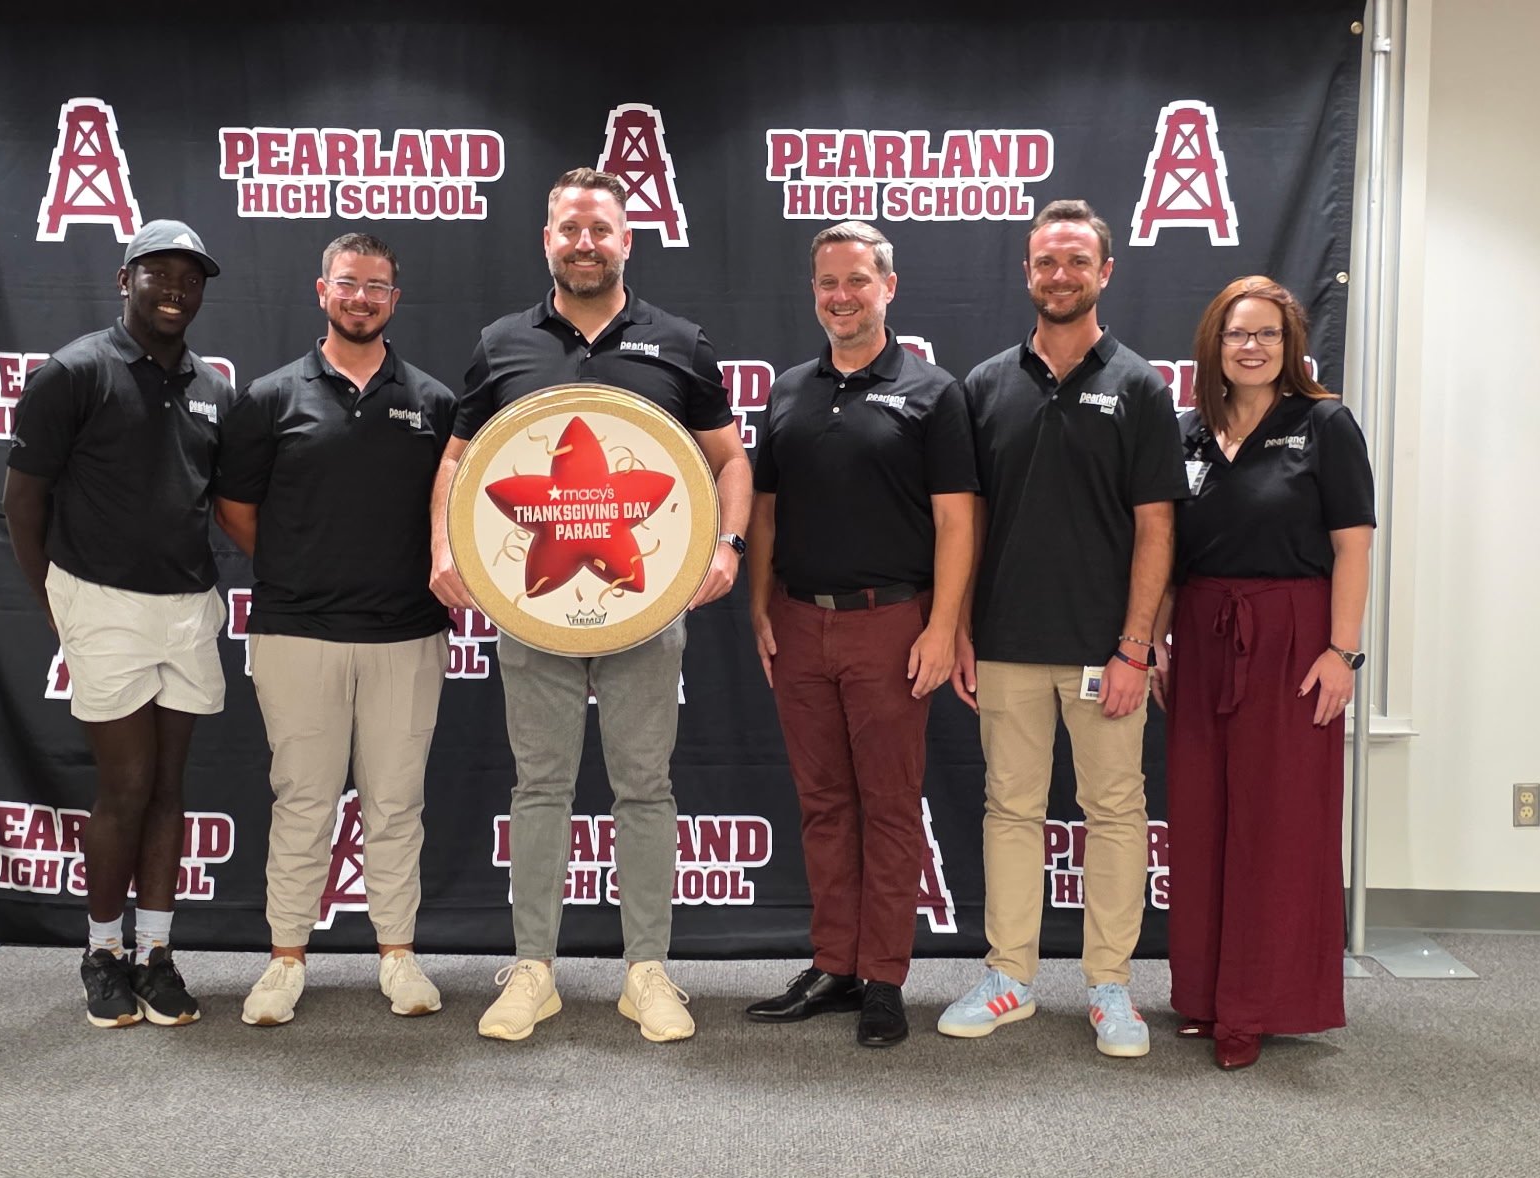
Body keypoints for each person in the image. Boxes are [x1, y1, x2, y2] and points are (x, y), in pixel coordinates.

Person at [430, 167, 752, 1044]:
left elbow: (728, 459)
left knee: (644, 786)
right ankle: (534, 968)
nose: (584, 242)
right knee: (540, 785)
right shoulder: (503, 342)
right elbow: (461, 463)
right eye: (569, 227)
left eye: (600, 229)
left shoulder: (678, 342)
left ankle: (645, 971)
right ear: (547, 240)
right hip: (532, 610)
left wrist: (726, 544)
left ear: (626, 240)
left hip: (646, 609)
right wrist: (443, 547)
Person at [939, 200, 1186, 1056]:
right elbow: (965, 521)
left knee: (1114, 812)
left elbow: (1157, 528)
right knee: (1009, 810)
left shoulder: (1141, 385)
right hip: (1006, 644)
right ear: (1027, 272)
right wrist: (963, 630)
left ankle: (1111, 987)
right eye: (1047, 262)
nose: (1060, 275)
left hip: (1103, 652)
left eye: (1077, 261)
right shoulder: (983, 385)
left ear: (1104, 272)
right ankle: (1010, 976)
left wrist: (1134, 645)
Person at [213, 233, 457, 1027]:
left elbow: (447, 514)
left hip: (407, 635)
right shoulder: (270, 397)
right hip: (297, 633)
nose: (361, 298)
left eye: (376, 286)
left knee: (395, 803)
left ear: (395, 298)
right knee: (303, 802)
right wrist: (302, 562)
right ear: (322, 291)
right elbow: (238, 509)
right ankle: (285, 960)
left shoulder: (433, 401)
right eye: (348, 284)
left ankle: (398, 956)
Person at [743, 222, 977, 1048]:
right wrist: (760, 608)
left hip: (891, 624)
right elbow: (764, 510)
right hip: (800, 624)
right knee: (823, 805)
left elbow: (957, 521)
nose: (840, 296)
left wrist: (943, 627)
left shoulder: (931, 391)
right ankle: (834, 964)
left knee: (888, 806)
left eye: (856, 281)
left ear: (888, 287)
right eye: (826, 284)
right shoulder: (786, 389)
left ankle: (884, 975)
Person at [3, 218, 231, 1029]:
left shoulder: (213, 385)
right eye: (158, 274)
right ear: (123, 280)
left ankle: (157, 956)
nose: (175, 290)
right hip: (100, 602)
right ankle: (102, 952)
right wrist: (57, 605)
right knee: (125, 786)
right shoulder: (76, 370)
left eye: (191, 278)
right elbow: (22, 502)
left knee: (170, 788)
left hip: (188, 606)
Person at [1154, 276, 1375, 1071]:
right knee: (1205, 814)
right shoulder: (1186, 432)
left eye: (1268, 336)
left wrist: (1342, 653)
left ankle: (1258, 1005)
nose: (1251, 347)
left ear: (1292, 348)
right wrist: (1157, 642)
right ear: (1213, 344)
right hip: (1202, 633)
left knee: (1278, 822)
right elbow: (1166, 555)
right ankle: (1208, 994)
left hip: (1292, 637)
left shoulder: (1324, 424)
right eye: (1237, 334)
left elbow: (1353, 543)